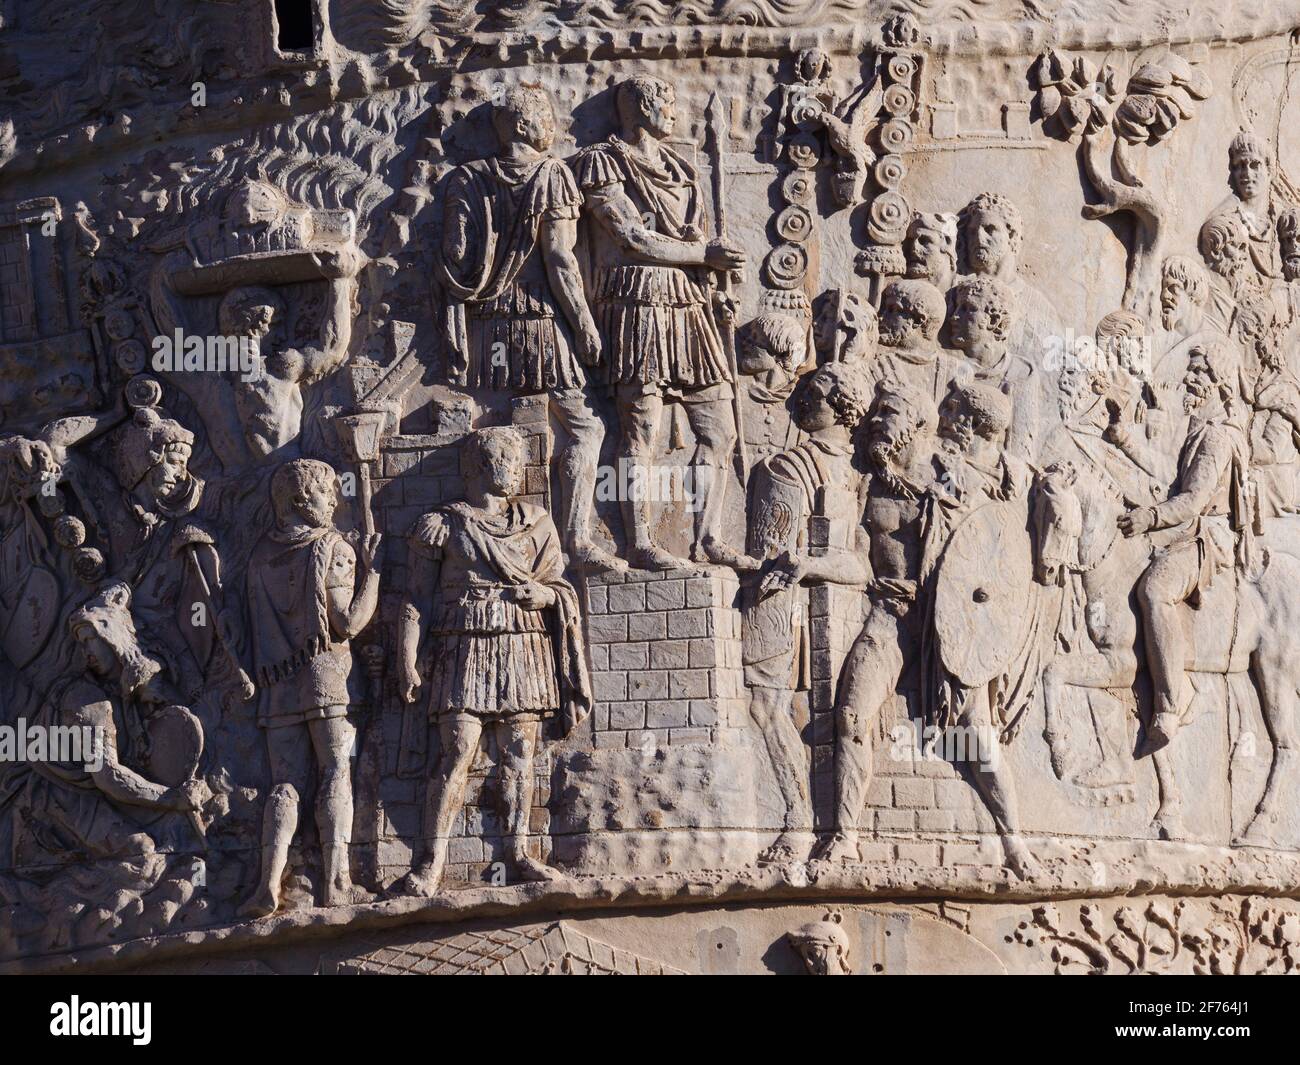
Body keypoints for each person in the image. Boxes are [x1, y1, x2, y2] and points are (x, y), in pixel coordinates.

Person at [397, 427, 591, 896]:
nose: (516, 471)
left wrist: (544, 594)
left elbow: (560, 585)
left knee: (519, 754)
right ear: (478, 466)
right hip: (463, 643)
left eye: (520, 461)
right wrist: (406, 658)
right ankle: (431, 862)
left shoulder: (536, 523)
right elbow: (414, 599)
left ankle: (519, 852)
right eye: (506, 461)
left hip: (521, 642)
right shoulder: (440, 524)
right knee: (456, 750)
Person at [437, 85, 619, 573]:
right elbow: (560, 260)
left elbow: (456, 256)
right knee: (585, 427)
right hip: (539, 319)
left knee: (506, 422)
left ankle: (510, 540)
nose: (554, 129)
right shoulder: (551, 174)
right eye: (546, 118)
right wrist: (584, 325)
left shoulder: (466, 179)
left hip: (488, 324)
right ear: (522, 125)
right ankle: (573, 538)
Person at [577, 74, 746, 569]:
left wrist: (714, 284)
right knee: (639, 428)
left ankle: (709, 537)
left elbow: (692, 240)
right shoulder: (602, 162)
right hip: (637, 303)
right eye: (666, 101)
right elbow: (631, 236)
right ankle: (641, 541)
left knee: (719, 428)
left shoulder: (679, 168)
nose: (673, 111)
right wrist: (703, 253)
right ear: (639, 107)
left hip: (689, 304)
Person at [239, 459, 381, 916]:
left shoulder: (259, 556)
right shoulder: (332, 548)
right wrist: (373, 572)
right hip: (326, 678)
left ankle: (268, 883)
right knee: (337, 770)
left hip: (277, 682)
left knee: (285, 783)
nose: (335, 501)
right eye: (326, 494)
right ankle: (337, 881)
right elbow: (348, 622)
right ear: (302, 500)